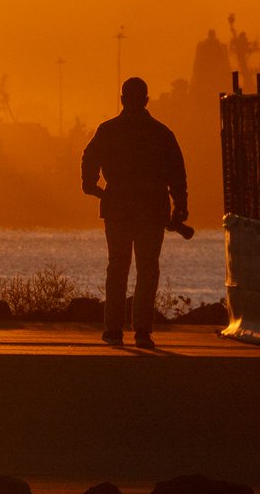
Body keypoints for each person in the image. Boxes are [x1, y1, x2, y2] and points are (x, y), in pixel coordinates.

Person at [80, 76, 187, 349]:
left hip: (118, 207)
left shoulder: (109, 130)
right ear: (146, 100)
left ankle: (113, 331)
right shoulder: (161, 133)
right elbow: (177, 174)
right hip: (151, 208)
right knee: (147, 269)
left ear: (123, 100)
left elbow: (89, 157)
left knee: (118, 267)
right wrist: (180, 205)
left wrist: (91, 184)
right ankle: (142, 332)